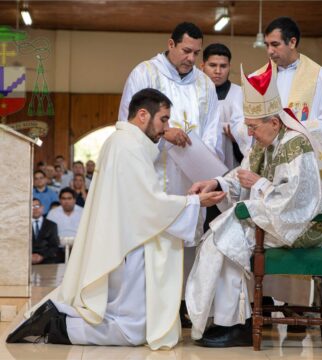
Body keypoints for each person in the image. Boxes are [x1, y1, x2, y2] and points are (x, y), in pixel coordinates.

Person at [6, 88, 225, 349]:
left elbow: (141, 198)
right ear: (143, 115)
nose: (166, 127)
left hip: (125, 239)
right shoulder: (128, 147)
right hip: (130, 246)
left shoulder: (124, 142)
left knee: (121, 318)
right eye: (163, 119)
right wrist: (193, 202)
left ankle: (58, 318)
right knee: (132, 330)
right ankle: (58, 325)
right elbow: (148, 203)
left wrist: (186, 202)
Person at [185, 62, 322, 347]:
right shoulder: (265, 141)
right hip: (279, 215)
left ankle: (238, 325)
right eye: (247, 127)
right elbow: (242, 174)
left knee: (227, 239)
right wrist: (217, 183)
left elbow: (298, 200)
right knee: (219, 235)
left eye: (253, 127)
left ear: (273, 122)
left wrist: (258, 183)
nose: (250, 134)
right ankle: (225, 319)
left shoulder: (297, 144)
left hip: (307, 225)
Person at [118, 22, 224, 323]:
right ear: (171, 44)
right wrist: (164, 132)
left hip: (189, 179)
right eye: (186, 50)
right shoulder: (144, 73)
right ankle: (147, 305)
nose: (191, 58)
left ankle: (182, 305)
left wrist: (204, 165)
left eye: (196, 52)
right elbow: (128, 126)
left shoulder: (204, 85)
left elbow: (212, 133)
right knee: (152, 241)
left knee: (187, 242)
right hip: (153, 176)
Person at [257, 16, 322, 153]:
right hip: (268, 155)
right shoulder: (258, 78)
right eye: (267, 45)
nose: (269, 51)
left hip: (303, 156)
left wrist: (287, 130)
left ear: (292, 42)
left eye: (275, 44)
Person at [201, 43, 252, 169]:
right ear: (202, 66)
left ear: (229, 67)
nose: (218, 71)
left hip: (233, 164)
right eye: (212, 65)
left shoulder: (241, 93)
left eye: (223, 66)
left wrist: (239, 138)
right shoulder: (194, 95)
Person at [31, 198, 60, 265]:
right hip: (26, 261)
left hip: (47, 260)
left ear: (42, 207)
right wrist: (30, 257)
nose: (35, 209)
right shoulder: (23, 225)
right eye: (31, 206)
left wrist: (42, 256)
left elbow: (54, 246)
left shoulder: (52, 225)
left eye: (37, 206)